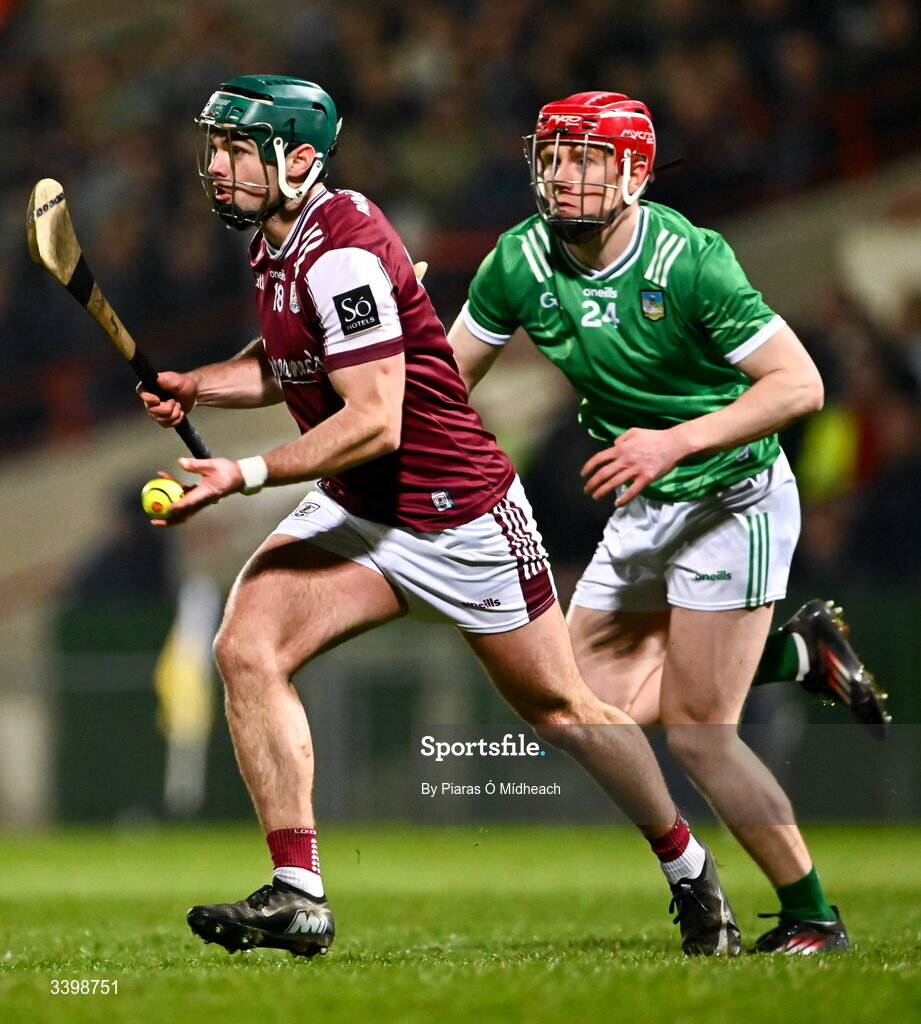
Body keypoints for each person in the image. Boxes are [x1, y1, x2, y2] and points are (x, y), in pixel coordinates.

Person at [139, 76, 740, 960]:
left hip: (455, 511)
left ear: (298, 160)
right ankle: (299, 891)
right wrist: (201, 385)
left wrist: (246, 472)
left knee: (561, 709)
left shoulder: (337, 249)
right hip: (359, 505)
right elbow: (292, 362)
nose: (218, 168)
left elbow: (374, 418)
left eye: (239, 151)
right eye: (217, 147)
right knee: (245, 646)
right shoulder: (277, 241)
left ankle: (689, 869)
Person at [448, 91, 888, 953]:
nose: (563, 176)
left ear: (636, 173)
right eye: (552, 156)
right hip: (644, 501)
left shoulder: (690, 260)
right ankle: (798, 654)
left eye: (586, 159)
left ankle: (811, 918)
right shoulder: (517, 260)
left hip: (733, 496)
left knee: (697, 734)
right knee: (567, 706)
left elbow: (799, 386)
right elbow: (440, 382)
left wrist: (672, 442)